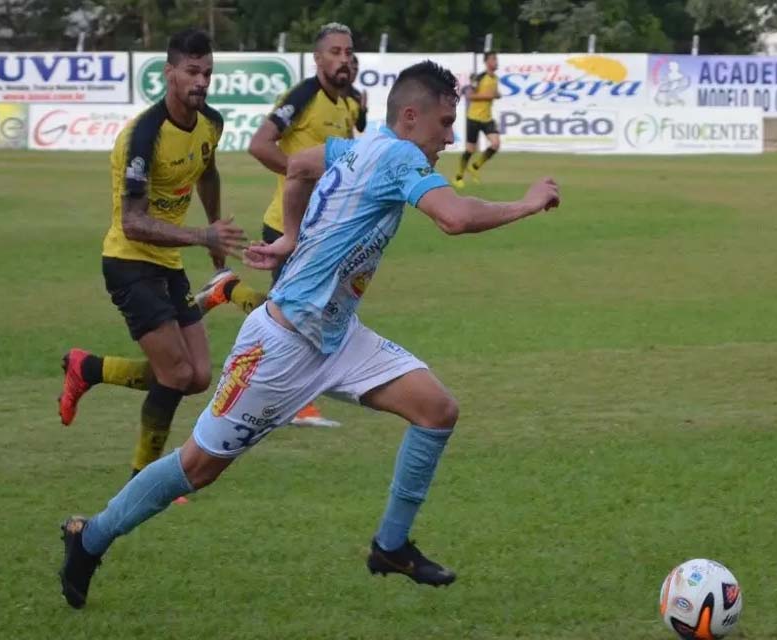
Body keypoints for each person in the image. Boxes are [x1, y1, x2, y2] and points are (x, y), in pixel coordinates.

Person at [57, 60, 560, 609]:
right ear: (411, 117)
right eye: (444, 123)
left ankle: (390, 547)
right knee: (197, 468)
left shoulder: (355, 147)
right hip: (280, 346)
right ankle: (91, 537)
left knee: (437, 410)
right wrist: (529, 203)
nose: (448, 137)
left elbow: (298, 166)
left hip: (338, 338)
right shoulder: (398, 157)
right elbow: (454, 218)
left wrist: (290, 239)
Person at [56, 28, 255, 483]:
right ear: (169, 74)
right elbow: (133, 222)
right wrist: (202, 235)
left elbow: (208, 171)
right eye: (191, 72)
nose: (201, 81)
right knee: (176, 373)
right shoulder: (143, 137)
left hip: (167, 261)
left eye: (207, 72)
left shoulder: (211, 122)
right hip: (129, 262)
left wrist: (216, 237)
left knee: (199, 376)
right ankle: (143, 478)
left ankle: (86, 368)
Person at [195, 22, 358, 428]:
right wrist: (299, 173)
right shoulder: (303, 96)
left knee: (303, 310)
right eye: (335, 52)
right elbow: (259, 143)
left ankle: (227, 290)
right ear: (318, 58)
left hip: (322, 228)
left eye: (349, 52)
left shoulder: (350, 103)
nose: (344, 59)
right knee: (294, 315)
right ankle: (298, 404)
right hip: (287, 226)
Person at [453, 51, 501, 188]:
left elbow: (494, 94)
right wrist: (488, 96)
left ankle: (475, 166)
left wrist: (496, 95)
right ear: (486, 62)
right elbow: (469, 95)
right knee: (470, 149)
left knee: (495, 144)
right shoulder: (479, 78)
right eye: (493, 59)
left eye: (496, 59)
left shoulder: (495, 78)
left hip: (487, 118)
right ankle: (458, 176)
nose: (496, 62)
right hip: (473, 118)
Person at [345, 54, 368, 134]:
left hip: (344, 144)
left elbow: (360, 127)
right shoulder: (330, 90)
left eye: (356, 69)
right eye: (351, 69)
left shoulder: (356, 95)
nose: (354, 72)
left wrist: (363, 109)